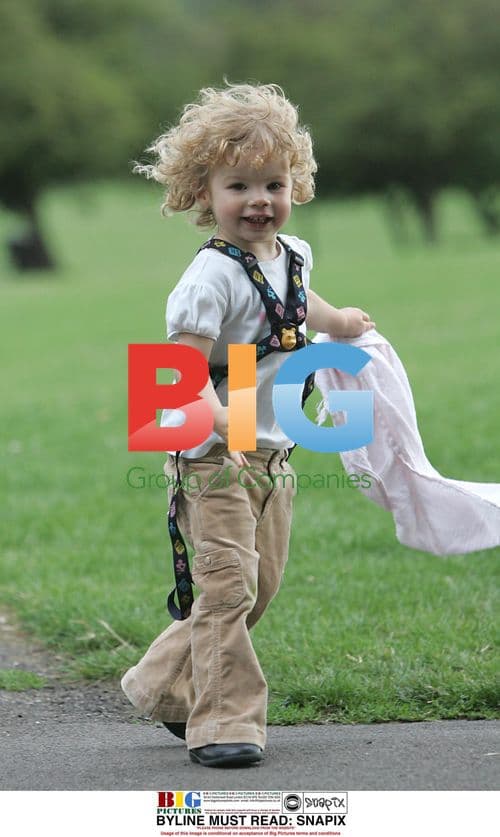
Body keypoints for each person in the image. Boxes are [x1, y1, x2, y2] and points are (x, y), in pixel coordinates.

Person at [121, 82, 375, 768]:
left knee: (257, 586)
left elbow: (298, 303)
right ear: (205, 191)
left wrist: (341, 323)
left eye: (275, 182)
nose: (260, 199)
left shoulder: (293, 252)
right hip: (214, 452)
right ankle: (223, 722)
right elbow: (170, 375)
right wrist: (210, 439)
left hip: (274, 447)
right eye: (240, 185)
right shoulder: (207, 279)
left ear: (296, 183)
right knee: (227, 585)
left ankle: (163, 685)